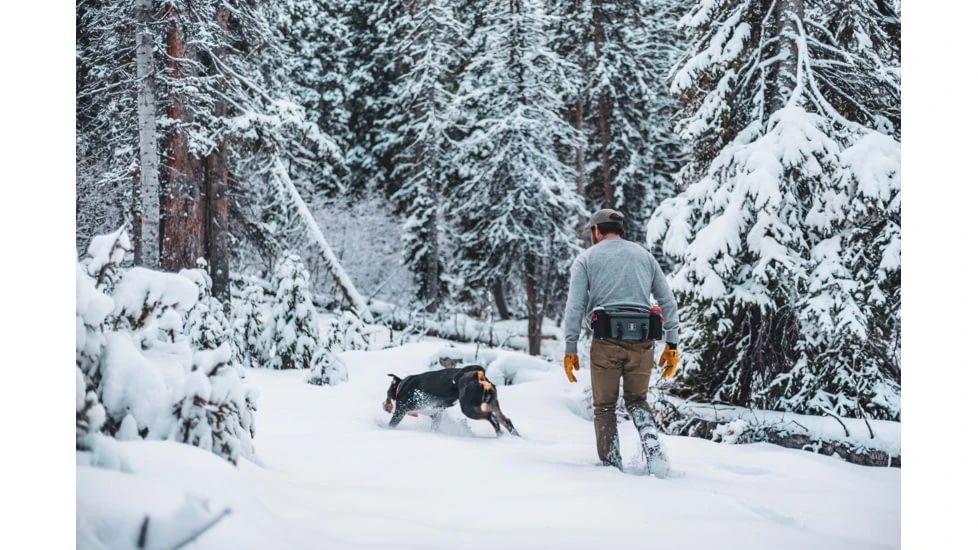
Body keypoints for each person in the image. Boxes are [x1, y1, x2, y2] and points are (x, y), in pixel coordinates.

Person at [562, 208, 680, 474]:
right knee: (637, 400)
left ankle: (612, 465)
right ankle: (651, 442)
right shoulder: (644, 257)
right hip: (643, 342)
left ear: (596, 230)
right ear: (620, 230)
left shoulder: (587, 258)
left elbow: (575, 307)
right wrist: (672, 345)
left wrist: (570, 349)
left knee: (605, 407)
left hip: (606, 342)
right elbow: (668, 303)